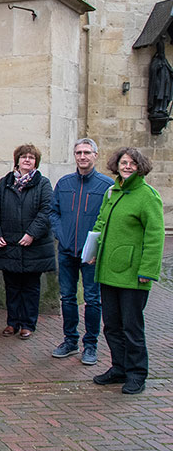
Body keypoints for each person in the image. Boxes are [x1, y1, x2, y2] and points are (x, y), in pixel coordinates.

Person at [90, 147, 164, 395]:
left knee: (131, 327)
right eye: (123, 162)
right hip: (109, 271)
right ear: (116, 165)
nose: (127, 166)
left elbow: (155, 237)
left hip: (133, 274)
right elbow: (101, 222)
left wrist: (147, 270)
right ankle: (119, 368)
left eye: (132, 163)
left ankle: (136, 374)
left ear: (140, 166)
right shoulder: (113, 192)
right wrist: (92, 252)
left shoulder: (147, 195)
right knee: (111, 325)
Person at [48, 138, 113, 366]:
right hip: (66, 250)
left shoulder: (107, 186)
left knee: (93, 300)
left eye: (87, 152)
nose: (82, 157)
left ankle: (91, 345)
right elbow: (53, 212)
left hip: (91, 253)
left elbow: (109, 220)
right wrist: (60, 233)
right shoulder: (64, 183)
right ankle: (70, 340)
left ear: (95, 155)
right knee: (67, 297)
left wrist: (97, 244)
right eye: (78, 153)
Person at [0, 144, 55, 340]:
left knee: (31, 287)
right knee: (12, 286)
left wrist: (31, 234)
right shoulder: (4, 183)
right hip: (8, 244)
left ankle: (28, 323)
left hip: (33, 245)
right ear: (17, 160)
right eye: (24, 157)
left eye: (31, 158)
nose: (27, 160)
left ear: (36, 162)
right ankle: (12, 322)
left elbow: (46, 211)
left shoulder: (43, 184)